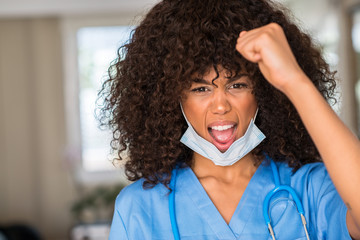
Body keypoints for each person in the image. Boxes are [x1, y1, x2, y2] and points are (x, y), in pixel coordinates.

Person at [98, 0, 360, 239]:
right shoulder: (139, 207)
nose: (221, 105)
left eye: (237, 85)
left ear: (263, 93)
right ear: (171, 99)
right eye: (200, 89)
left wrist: (293, 81)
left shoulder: (309, 188)